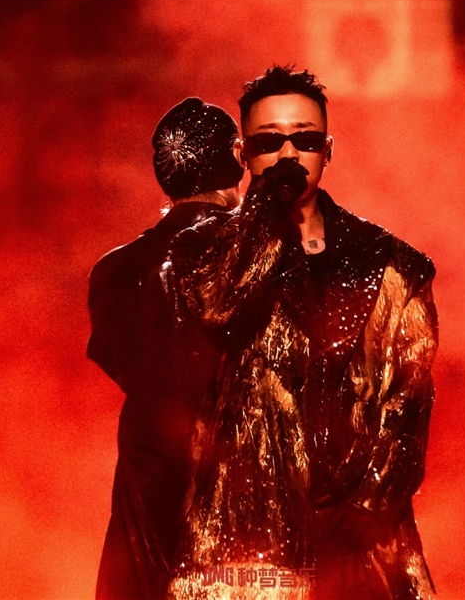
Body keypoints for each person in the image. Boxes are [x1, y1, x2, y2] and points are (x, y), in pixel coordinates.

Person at [165, 66, 438, 600]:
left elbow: (411, 391)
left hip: (361, 532)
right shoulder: (203, 251)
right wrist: (264, 209)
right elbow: (218, 307)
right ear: (244, 155)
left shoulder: (390, 263)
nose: (288, 155)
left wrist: (371, 497)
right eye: (269, 142)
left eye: (305, 140)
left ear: (328, 151)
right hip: (249, 527)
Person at [87, 97, 244, 600]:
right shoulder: (255, 256)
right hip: (241, 477)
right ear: (237, 160)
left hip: (149, 473)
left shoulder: (115, 272)